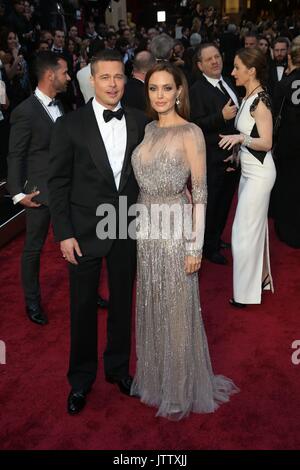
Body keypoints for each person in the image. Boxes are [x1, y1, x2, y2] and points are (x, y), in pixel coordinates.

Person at [130, 62, 239, 420]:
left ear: (179, 91)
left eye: (166, 88)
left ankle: (179, 389)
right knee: (152, 303)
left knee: (177, 311)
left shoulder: (191, 132)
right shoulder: (146, 129)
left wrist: (195, 246)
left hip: (177, 230)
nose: (160, 95)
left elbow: (201, 192)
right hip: (147, 230)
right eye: (153, 89)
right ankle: (158, 380)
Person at [48, 50, 147, 415]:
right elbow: (57, 183)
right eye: (104, 77)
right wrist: (64, 233)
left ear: (125, 79)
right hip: (83, 232)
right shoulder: (69, 125)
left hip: (126, 227)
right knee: (83, 308)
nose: (112, 84)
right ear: (91, 80)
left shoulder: (139, 120)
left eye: (118, 77)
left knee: (123, 303)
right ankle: (81, 379)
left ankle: (119, 369)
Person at [7, 51, 70, 325]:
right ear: (50, 75)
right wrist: (18, 193)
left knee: (75, 240)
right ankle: (32, 301)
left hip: (66, 188)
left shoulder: (61, 105)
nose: (68, 77)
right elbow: (15, 156)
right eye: (65, 72)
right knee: (33, 249)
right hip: (39, 194)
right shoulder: (25, 112)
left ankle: (85, 292)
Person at [219, 48, 276, 307]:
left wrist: (241, 139)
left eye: (236, 67)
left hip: (260, 175)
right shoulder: (248, 96)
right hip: (248, 171)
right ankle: (262, 278)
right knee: (254, 229)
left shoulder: (260, 101)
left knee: (243, 233)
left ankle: (246, 296)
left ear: (251, 71)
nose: (232, 72)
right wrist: (236, 156)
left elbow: (266, 143)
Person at [190, 43, 240, 265]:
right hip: (212, 159)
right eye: (209, 59)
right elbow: (195, 125)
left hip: (232, 157)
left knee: (225, 203)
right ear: (200, 65)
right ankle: (208, 247)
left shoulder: (227, 82)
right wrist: (221, 117)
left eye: (217, 56)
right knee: (211, 206)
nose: (215, 61)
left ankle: (216, 238)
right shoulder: (196, 91)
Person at [273, 45, 300, 248]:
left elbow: (275, 112)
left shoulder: (285, 83)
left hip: (288, 143)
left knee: (287, 185)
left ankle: (287, 230)